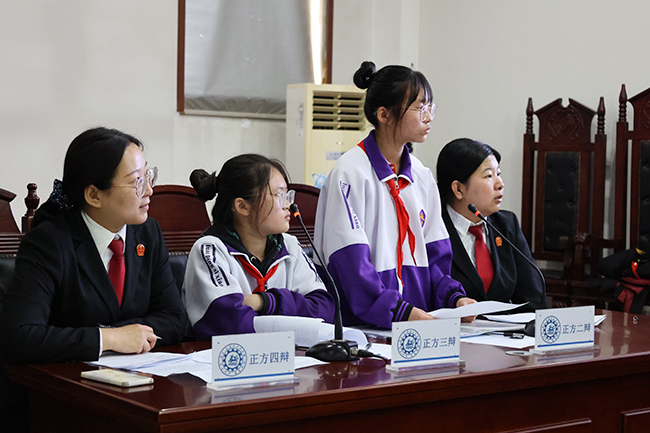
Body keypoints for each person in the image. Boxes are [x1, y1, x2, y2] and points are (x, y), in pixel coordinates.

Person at [0, 127, 188, 364]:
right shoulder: (49, 242)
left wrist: (121, 336)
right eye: (137, 182)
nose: (149, 190)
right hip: (65, 379)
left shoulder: (148, 233)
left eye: (148, 176)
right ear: (94, 195)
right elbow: (21, 336)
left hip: (136, 373)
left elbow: (174, 319)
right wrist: (108, 338)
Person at [314, 61, 476, 329]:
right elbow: (350, 266)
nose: (428, 117)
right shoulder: (350, 173)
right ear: (384, 114)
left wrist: (453, 298)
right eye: (420, 108)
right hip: (362, 329)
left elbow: (435, 257)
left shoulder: (422, 176)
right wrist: (398, 310)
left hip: (416, 325)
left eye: (430, 108)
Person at [183, 154, 335, 338]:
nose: (288, 205)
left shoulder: (290, 245)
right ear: (242, 206)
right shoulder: (210, 249)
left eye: (287, 194)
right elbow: (229, 322)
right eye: (279, 195)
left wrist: (265, 302)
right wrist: (292, 314)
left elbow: (325, 309)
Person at [436, 138, 547, 311]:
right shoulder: (434, 229)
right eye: (489, 176)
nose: (500, 184)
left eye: (498, 174)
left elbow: (532, 295)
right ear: (458, 189)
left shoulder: (506, 225)